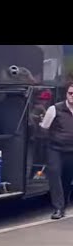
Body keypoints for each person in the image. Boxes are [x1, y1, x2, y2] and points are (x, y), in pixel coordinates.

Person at [40, 82, 73, 219]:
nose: (72, 96)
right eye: (70, 93)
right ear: (66, 94)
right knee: (55, 176)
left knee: (67, 178)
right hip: (55, 149)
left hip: (71, 151)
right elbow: (44, 127)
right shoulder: (55, 109)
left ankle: (63, 204)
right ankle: (58, 208)